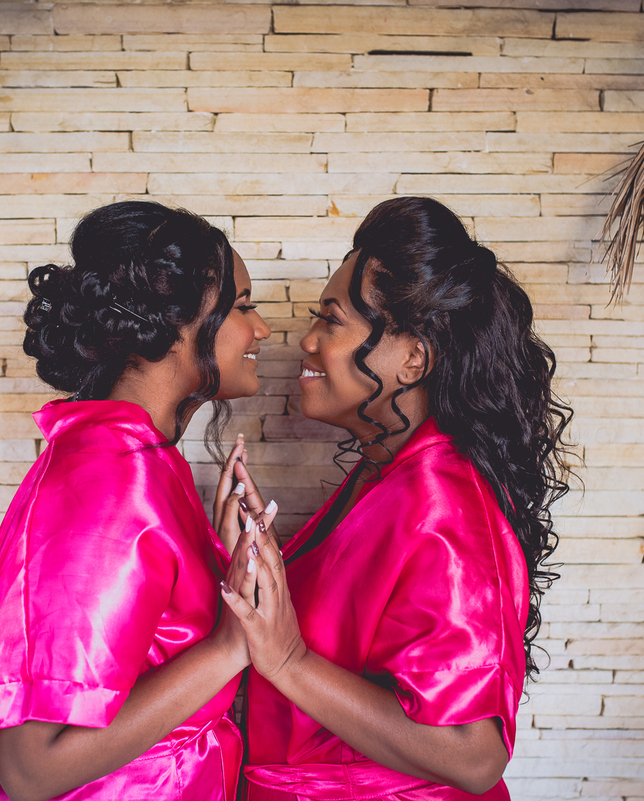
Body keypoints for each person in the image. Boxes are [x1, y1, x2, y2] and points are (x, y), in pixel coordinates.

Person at [222, 197, 572, 801]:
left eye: (331, 321)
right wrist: (265, 564)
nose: (307, 340)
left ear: (413, 358)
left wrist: (290, 661)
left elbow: (473, 755)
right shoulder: (384, 471)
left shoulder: (441, 502)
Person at [0, 201, 273, 801]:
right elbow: (30, 769)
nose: (261, 329)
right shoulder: (109, 482)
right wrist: (232, 645)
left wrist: (219, 562)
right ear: (172, 327)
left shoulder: (142, 459)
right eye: (243, 306)